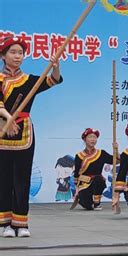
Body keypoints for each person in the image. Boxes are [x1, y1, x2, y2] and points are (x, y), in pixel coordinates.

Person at [0, 37, 63, 238]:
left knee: (22, 178)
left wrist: (55, 67)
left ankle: (21, 222)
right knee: (3, 179)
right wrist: (8, 119)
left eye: (21, 53)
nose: (18, 56)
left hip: (24, 132)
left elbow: (52, 81)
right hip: (2, 130)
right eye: (13, 52)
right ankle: (4, 223)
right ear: (3, 55)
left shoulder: (29, 81)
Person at [74, 128, 118, 211]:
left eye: (94, 137)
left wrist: (116, 149)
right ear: (85, 139)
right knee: (87, 205)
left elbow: (115, 161)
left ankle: (97, 203)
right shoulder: (79, 156)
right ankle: (84, 199)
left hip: (97, 182)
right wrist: (76, 190)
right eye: (90, 137)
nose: (93, 139)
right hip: (84, 184)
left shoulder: (101, 153)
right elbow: (76, 174)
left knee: (98, 179)